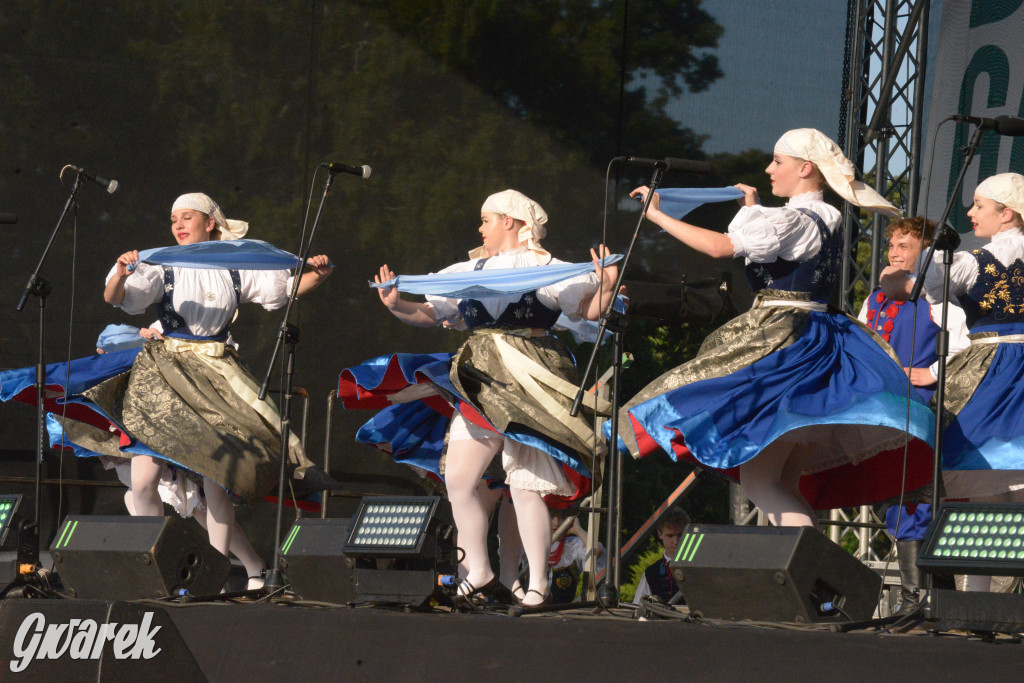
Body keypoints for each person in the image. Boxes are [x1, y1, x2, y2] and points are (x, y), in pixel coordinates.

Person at [619, 128, 936, 528]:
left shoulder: (794, 220)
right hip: (816, 334)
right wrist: (751, 206)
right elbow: (772, 239)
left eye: (778, 161)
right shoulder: (827, 215)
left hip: (785, 337)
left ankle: (813, 577)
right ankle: (814, 582)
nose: (769, 169)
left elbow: (721, 247)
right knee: (784, 481)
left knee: (759, 477)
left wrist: (656, 214)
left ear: (805, 168)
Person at [342, 189, 617, 606]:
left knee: (525, 487)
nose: (480, 227)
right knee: (458, 479)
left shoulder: (548, 268)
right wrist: (396, 304)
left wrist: (607, 287)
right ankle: (480, 570)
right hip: (479, 376)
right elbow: (431, 314)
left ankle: (538, 583)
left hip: (529, 375)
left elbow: (588, 312)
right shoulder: (467, 270)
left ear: (510, 221)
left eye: (486, 220)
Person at [95, 192, 333, 585]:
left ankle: (213, 573)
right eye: (174, 219)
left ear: (210, 222)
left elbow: (283, 293)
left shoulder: (235, 266)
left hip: (217, 373)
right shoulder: (161, 263)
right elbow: (117, 299)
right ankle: (155, 567)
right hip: (166, 373)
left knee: (217, 484)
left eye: (187, 217)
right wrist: (121, 272)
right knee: (142, 480)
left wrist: (317, 276)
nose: (178, 225)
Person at [882, 172, 1024, 592]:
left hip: (997, 368)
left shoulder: (977, 261)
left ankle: (974, 603)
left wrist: (895, 278)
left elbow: (908, 285)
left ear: (1007, 213)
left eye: (980, 206)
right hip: (1005, 369)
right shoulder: (974, 260)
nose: (970, 212)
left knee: (980, 477)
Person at [858, 216, 969, 612]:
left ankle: (922, 601)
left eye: (905, 245)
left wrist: (931, 372)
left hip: (924, 409)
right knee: (894, 498)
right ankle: (931, 601)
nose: (893, 252)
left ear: (927, 253)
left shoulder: (941, 302)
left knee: (919, 502)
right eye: (891, 245)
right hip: (883, 411)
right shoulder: (875, 299)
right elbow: (861, 344)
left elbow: (969, 350)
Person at [632, 507, 690, 605]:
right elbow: (638, 607)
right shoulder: (651, 573)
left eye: (680, 535)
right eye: (670, 536)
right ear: (660, 534)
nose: (675, 542)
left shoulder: (699, 568)